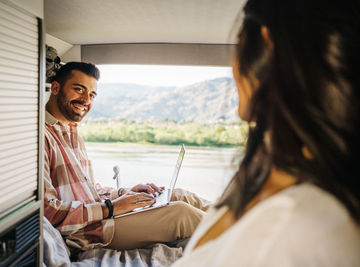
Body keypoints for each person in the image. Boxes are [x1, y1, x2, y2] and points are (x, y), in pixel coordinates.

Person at [173, 0, 360, 266]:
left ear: (267, 45)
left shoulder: (285, 229)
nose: (233, 64)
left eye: (238, 44)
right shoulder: (270, 169)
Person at [43, 62, 210, 253]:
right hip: (86, 231)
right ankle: (246, 239)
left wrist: (123, 193)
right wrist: (111, 208)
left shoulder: (73, 134)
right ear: (55, 88)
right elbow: (48, 211)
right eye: (79, 90)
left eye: (91, 95)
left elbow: (88, 192)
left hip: (102, 215)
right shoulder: (40, 137)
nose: (86, 100)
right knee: (181, 213)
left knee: (178, 195)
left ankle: (244, 217)